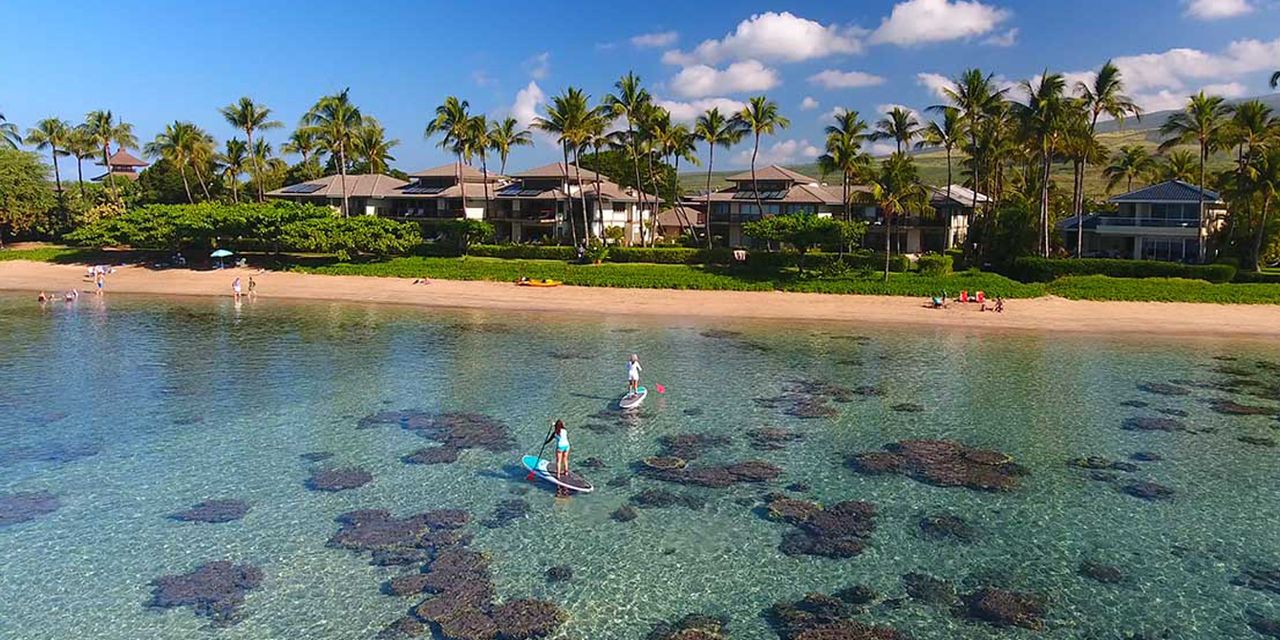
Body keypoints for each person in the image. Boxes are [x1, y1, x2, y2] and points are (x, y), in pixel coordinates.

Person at [543, 420, 571, 491]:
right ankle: (566, 472)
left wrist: (545, 443)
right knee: (565, 460)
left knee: (558, 461)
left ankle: (558, 475)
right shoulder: (565, 430)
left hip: (560, 447)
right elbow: (560, 425)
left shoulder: (555, 433)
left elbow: (549, 440)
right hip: (567, 446)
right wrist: (555, 424)